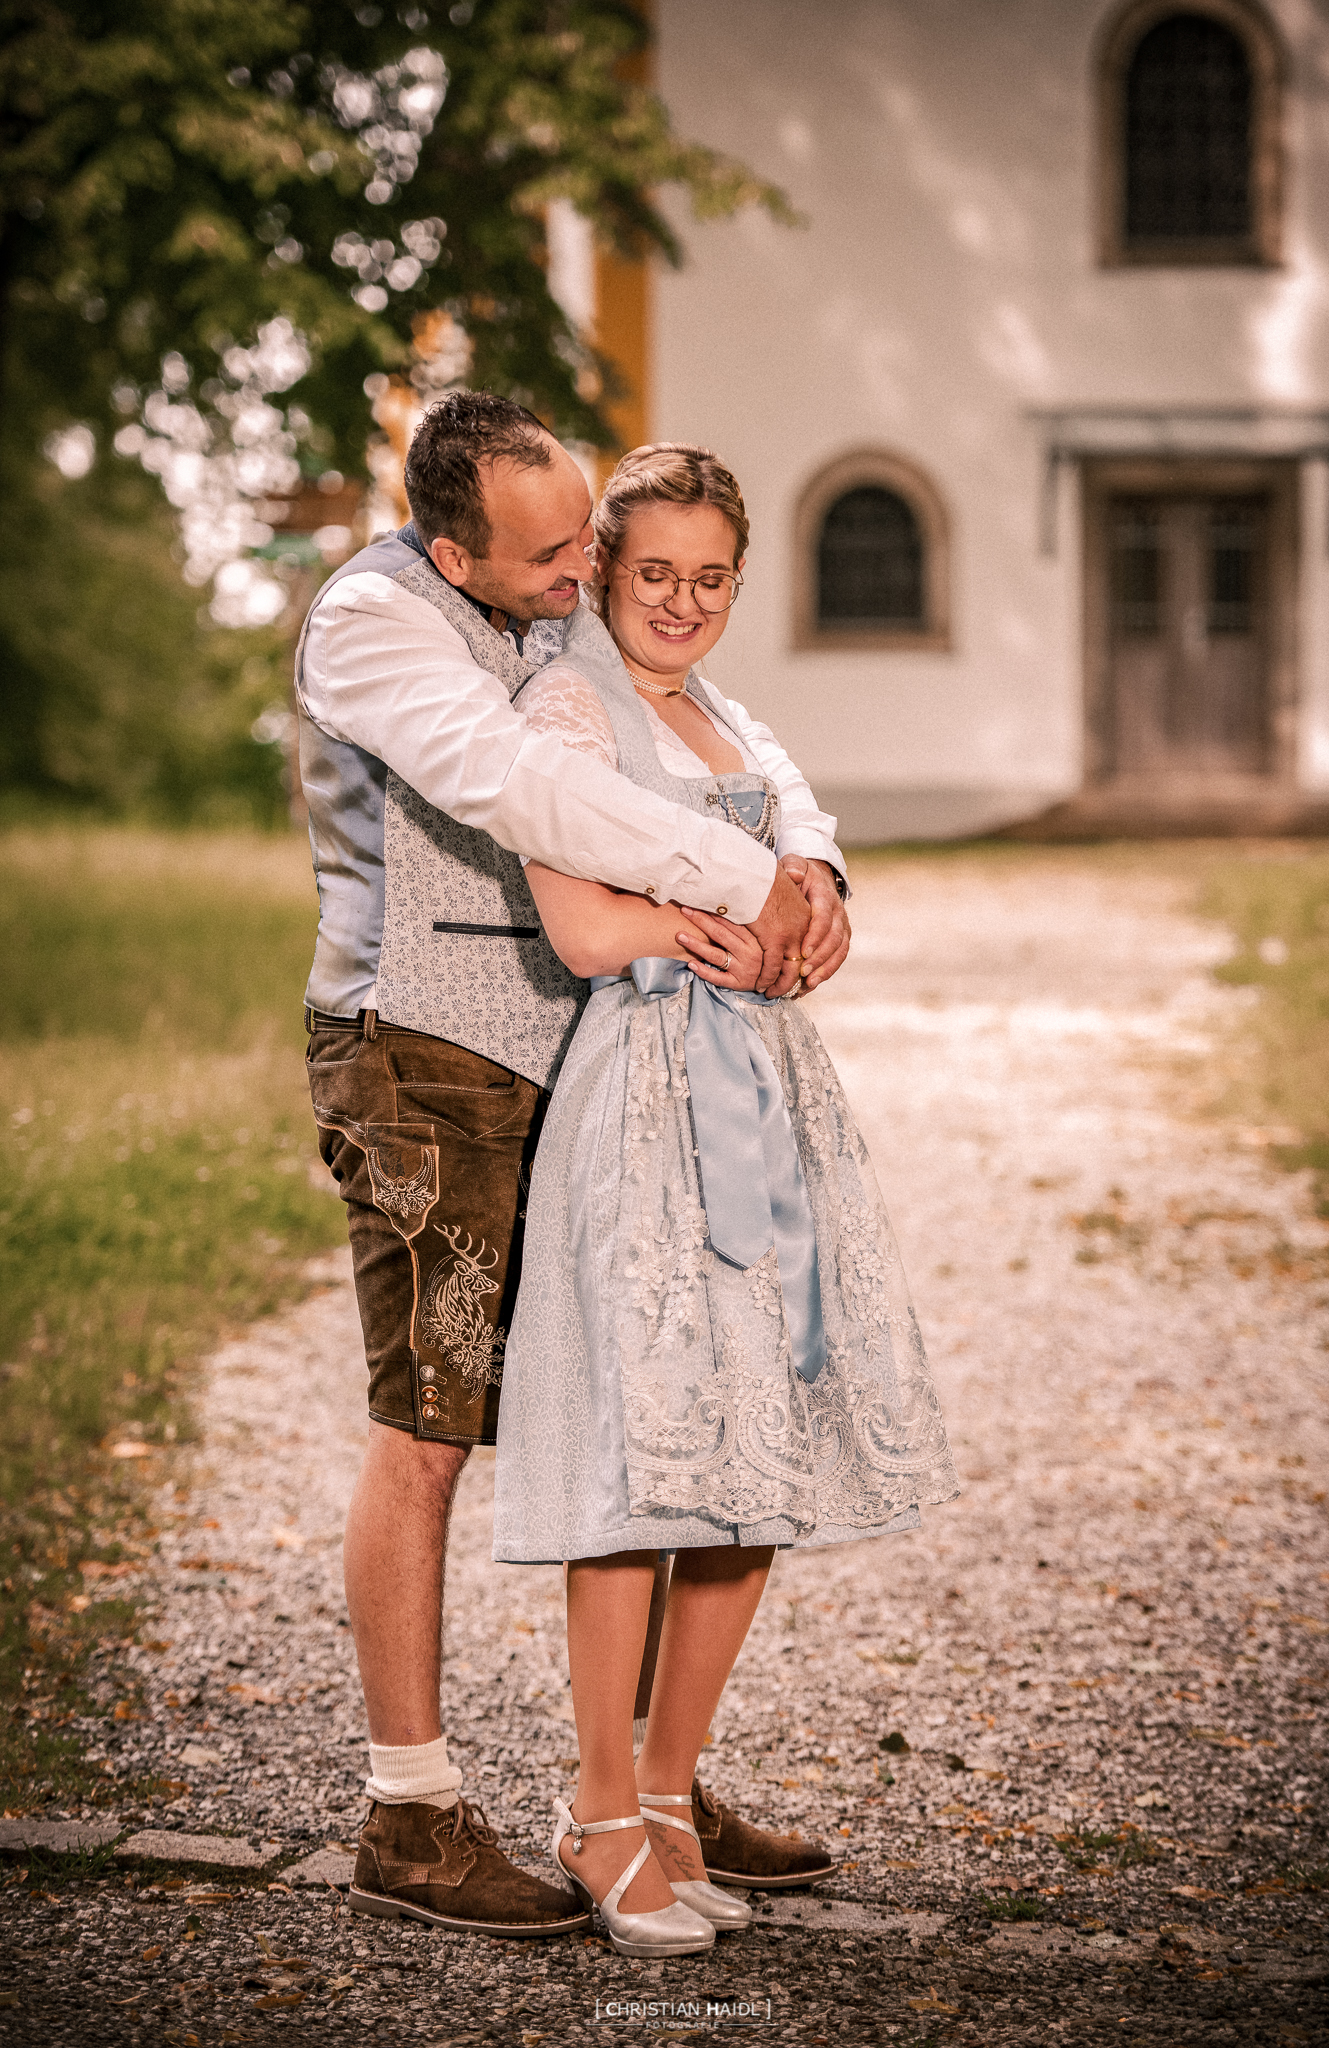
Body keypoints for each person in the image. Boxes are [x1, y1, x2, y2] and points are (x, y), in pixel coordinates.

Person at [295, 392, 853, 1938]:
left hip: (588, 1070)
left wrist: (814, 864)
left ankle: (649, 1782)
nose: (588, 573)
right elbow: (522, 788)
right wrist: (752, 884)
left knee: (650, 1401)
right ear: (448, 541)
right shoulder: (376, 626)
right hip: (422, 1049)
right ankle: (410, 1804)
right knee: (432, 1419)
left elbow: (731, 736)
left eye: (587, 541)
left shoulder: (553, 618)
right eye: (559, 557)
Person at [491, 445, 960, 1956]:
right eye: (653, 576)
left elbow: (801, 867)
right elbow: (574, 924)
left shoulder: (732, 719)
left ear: (735, 585)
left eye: (709, 579)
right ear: (605, 573)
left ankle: (674, 1790)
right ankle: (596, 1804)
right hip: (646, 1097)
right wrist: (719, 918)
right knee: (652, 1450)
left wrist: (813, 912)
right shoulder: (567, 709)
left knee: (750, 1454)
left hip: (765, 1086)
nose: (680, 602)